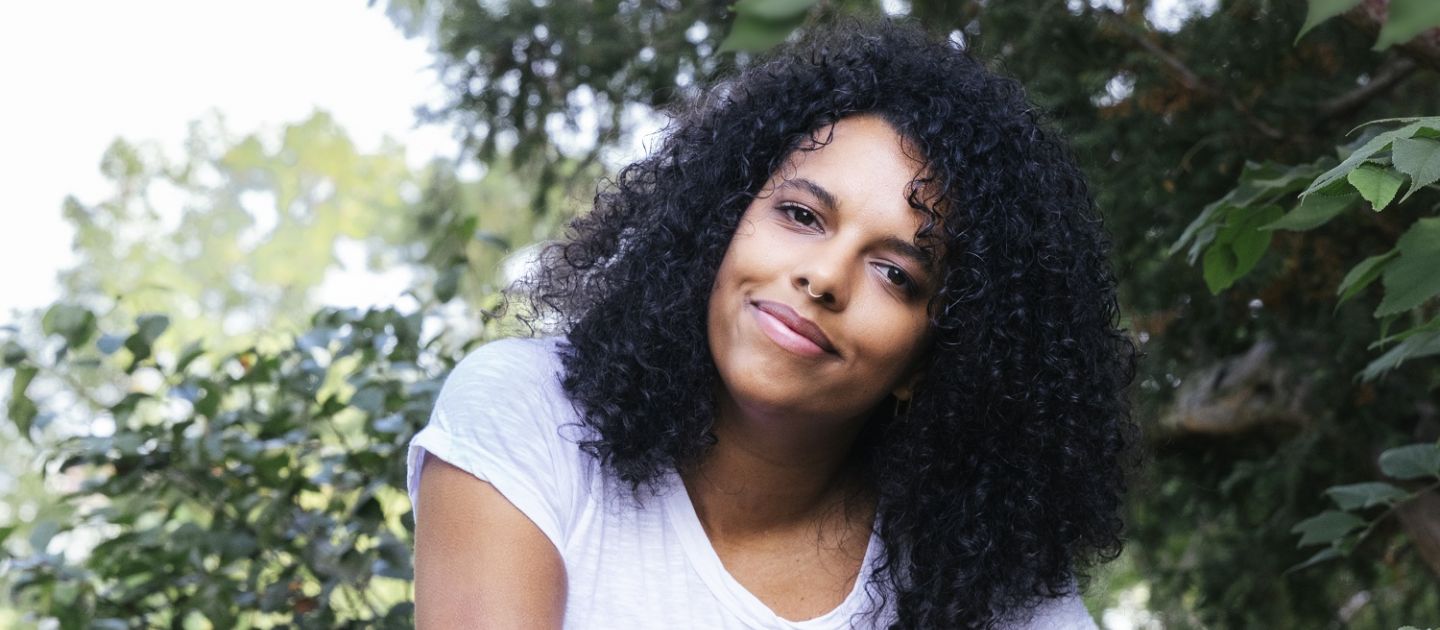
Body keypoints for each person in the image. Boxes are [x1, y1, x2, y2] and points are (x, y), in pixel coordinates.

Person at [407, 17, 1137, 630]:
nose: (823, 277)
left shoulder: (981, 574)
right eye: (800, 215)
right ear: (722, 224)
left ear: (930, 359)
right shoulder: (531, 410)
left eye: (897, 274)